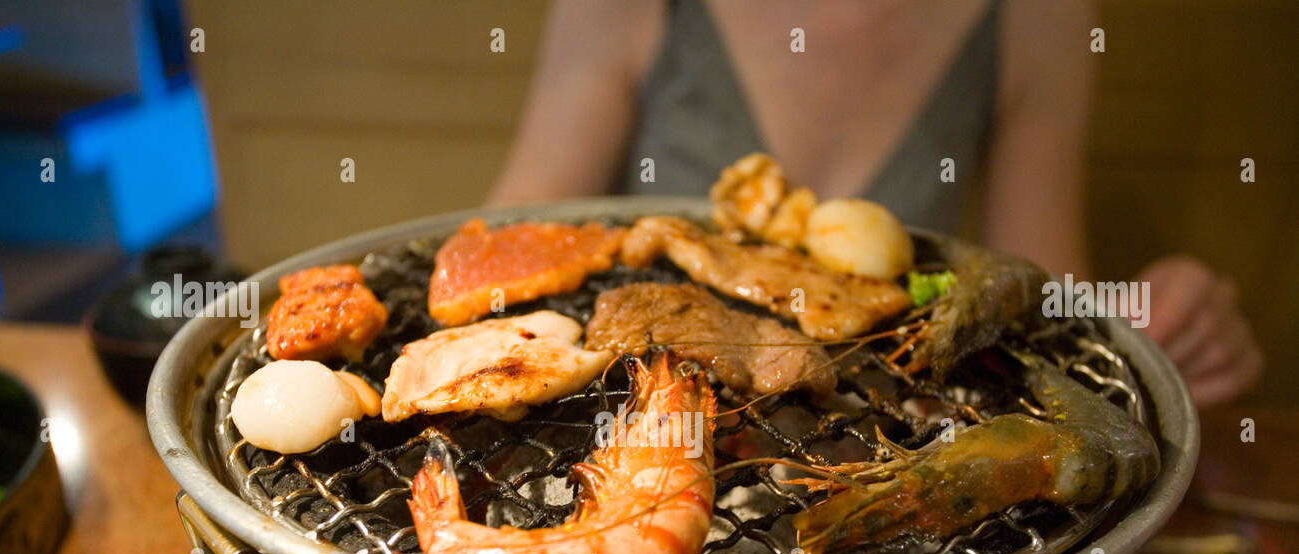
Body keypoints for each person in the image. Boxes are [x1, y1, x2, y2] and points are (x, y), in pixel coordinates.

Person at [489, 0, 1262, 408]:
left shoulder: (1043, 13)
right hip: (644, 406)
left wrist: (1152, 334)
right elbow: (508, 247)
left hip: (889, 418)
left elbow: (1040, 300)